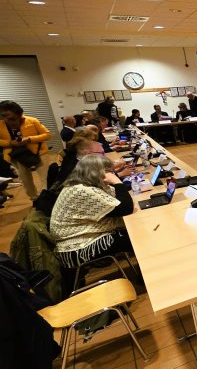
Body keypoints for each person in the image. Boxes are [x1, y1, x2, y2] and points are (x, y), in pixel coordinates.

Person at [50, 156, 135, 286]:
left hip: (81, 238)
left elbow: (119, 197)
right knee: (134, 236)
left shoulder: (80, 184)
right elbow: (125, 208)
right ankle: (149, 277)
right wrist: (117, 182)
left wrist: (117, 184)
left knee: (131, 230)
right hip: (76, 247)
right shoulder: (82, 190)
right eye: (108, 171)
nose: (111, 174)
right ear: (95, 172)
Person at [0, 100, 51, 200]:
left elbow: (47, 134)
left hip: (38, 153)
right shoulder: (1, 124)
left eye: (8, 115)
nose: (6, 119)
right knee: (25, 180)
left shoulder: (32, 120)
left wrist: (29, 139)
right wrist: (10, 143)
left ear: (17, 112)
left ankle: (47, 198)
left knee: (46, 178)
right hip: (16, 155)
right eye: (3, 115)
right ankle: (34, 199)